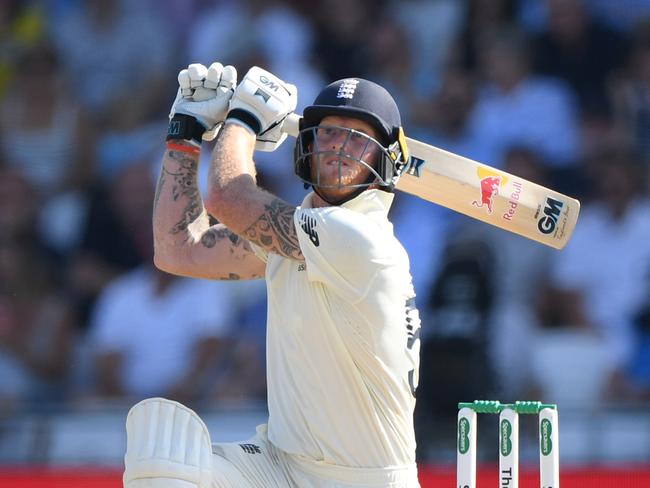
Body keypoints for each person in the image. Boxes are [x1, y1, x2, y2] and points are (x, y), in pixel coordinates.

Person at [123, 62, 422, 488]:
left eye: (358, 139)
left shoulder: (364, 241)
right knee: (165, 459)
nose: (339, 146)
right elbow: (179, 250)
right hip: (281, 464)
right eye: (330, 132)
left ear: (385, 158)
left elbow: (227, 197)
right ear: (308, 145)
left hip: (363, 478)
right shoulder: (296, 234)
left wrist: (243, 120)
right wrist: (185, 135)